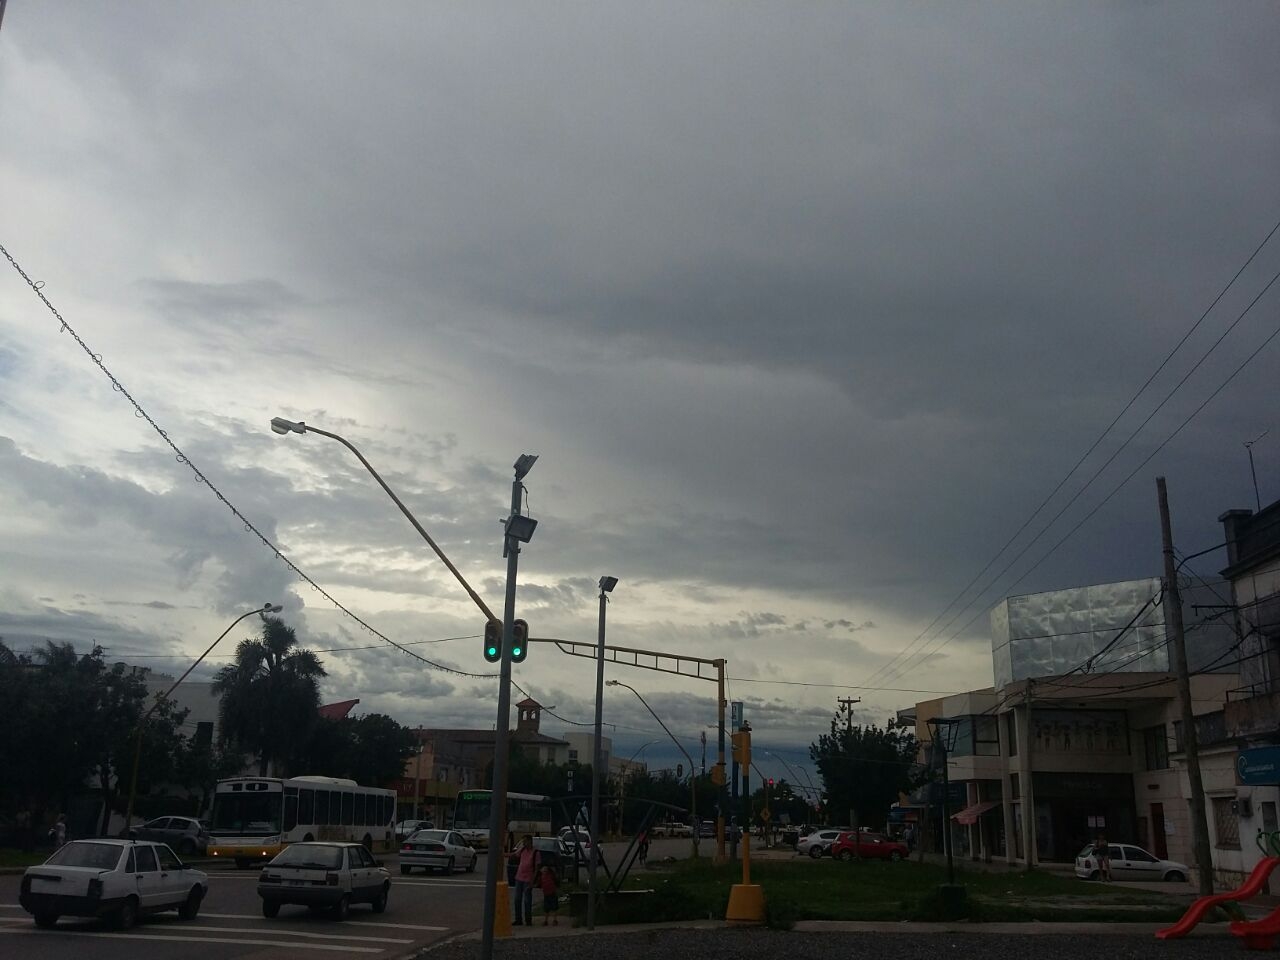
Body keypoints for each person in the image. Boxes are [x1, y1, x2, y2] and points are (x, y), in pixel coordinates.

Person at [511, 834, 536, 926]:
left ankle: (528, 919)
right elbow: (514, 855)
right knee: (517, 899)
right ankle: (518, 919)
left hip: (528, 879)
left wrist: (533, 881)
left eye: (525, 841)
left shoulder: (535, 852)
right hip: (519, 877)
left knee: (527, 900)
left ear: (530, 841)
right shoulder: (522, 850)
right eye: (523, 842)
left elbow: (537, 868)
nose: (524, 843)